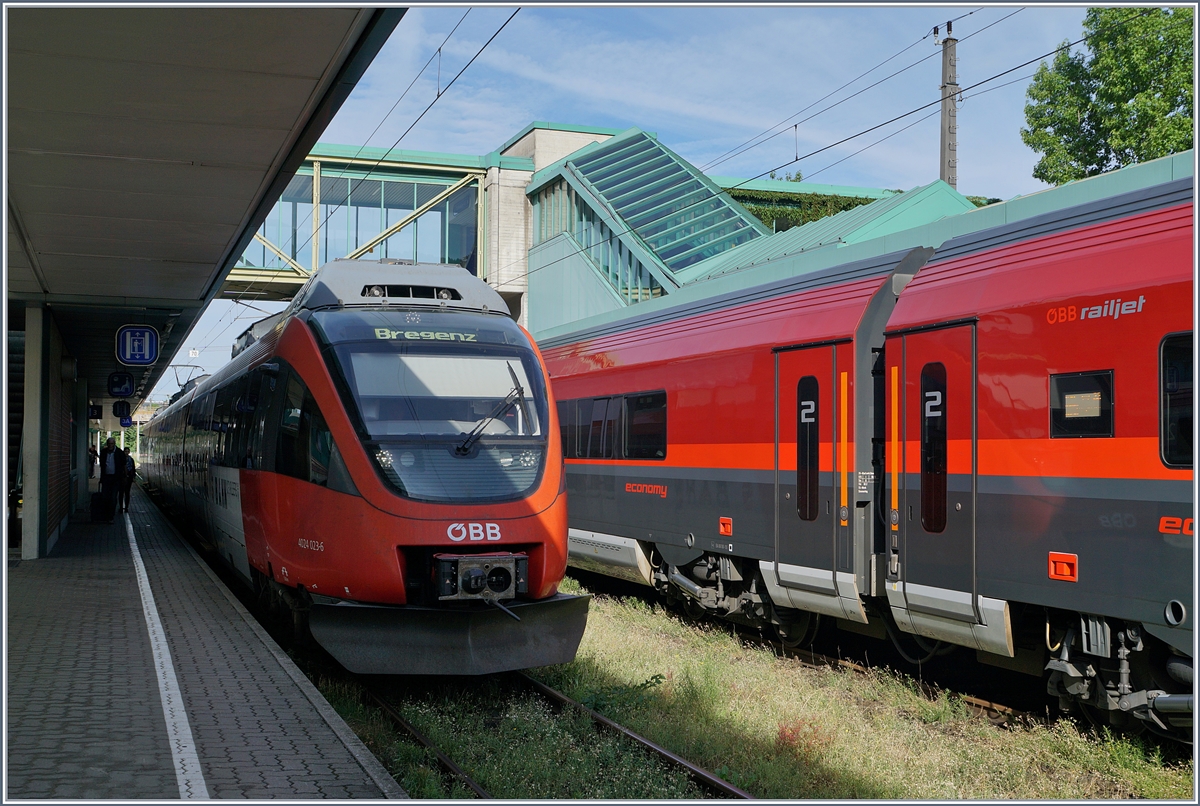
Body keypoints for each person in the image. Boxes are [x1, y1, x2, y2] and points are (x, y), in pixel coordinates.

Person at [98, 437, 126, 524]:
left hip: (116, 479)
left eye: (112, 444)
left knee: (113, 498)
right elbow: (102, 466)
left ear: (114, 444)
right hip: (106, 478)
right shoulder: (103, 452)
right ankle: (106, 515)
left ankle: (111, 516)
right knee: (105, 497)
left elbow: (124, 465)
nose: (110, 445)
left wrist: (125, 477)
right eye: (109, 444)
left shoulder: (119, 453)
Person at [121, 448, 136, 514]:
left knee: (127, 492)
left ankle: (126, 507)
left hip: (129, 478)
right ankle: (121, 507)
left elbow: (133, 468)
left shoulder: (131, 459)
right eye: (125, 451)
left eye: (127, 451)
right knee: (121, 493)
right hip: (122, 477)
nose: (126, 453)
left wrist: (133, 477)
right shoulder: (121, 459)